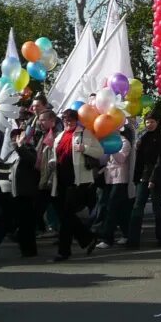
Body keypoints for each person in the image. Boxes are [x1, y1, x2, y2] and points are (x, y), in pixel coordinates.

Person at [0, 127, 39, 259]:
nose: (14, 139)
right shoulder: (10, 153)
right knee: (3, 223)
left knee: (25, 224)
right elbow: (3, 172)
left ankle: (29, 251)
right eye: (12, 136)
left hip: (23, 193)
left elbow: (32, 161)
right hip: (9, 194)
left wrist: (20, 147)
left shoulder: (29, 149)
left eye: (17, 136)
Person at [52, 109, 99, 261]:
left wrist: (84, 148)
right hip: (61, 180)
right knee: (66, 215)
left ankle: (64, 251)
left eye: (71, 119)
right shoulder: (60, 135)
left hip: (77, 181)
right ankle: (87, 238)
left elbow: (99, 151)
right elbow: (57, 154)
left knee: (66, 215)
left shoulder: (84, 133)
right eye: (65, 119)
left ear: (76, 120)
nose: (68, 122)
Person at [129, 110, 161, 248]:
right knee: (137, 207)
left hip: (156, 177)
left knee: (156, 207)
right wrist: (137, 177)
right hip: (143, 176)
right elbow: (139, 161)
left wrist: (153, 179)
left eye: (152, 122)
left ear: (157, 123)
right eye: (147, 122)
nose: (149, 124)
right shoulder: (144, 138)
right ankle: (133, 240)